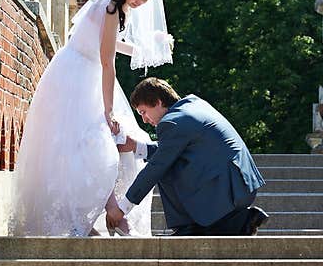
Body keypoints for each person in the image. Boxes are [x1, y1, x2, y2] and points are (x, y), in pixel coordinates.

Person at [10, 0, 174, 237]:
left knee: (104, 143)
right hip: (77, 76)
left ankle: (99, 215)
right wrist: (108, 110)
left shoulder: (118, 9)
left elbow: (107, 43)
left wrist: (145, 48)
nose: (138, 3)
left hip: (87, 71)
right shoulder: (111, 9)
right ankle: (99, 216)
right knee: (94, 142)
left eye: (144, 0)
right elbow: (107, 61)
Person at [109, 77, 269, 236]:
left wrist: (122, 208)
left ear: (157, 102)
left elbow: (156, 167)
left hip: (226, 190)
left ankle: (187, 227)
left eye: (143, 112)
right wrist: (137, 146)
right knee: (168, 161)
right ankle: (240, 221)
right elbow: (174, 148)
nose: (144, 119)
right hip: (240, 185)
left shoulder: (171, 122)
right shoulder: (193, 105)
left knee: (164, 167)